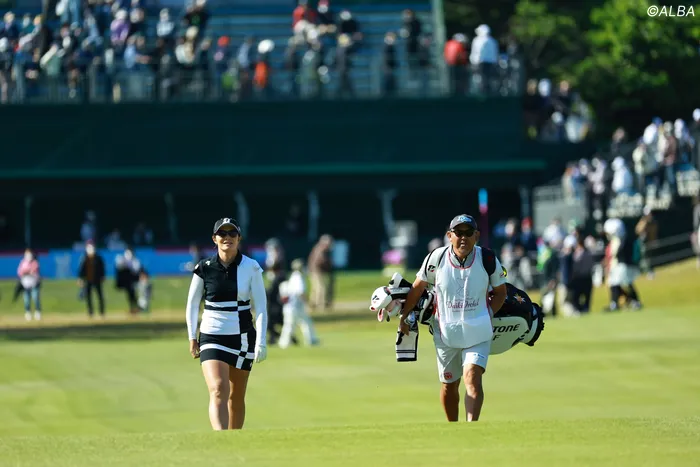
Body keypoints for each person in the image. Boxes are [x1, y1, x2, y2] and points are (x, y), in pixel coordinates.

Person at [399, 214, 508, 422]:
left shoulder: (487, 258)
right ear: (450, 235)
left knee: (472, 377)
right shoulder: (436, 258)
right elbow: (417, 288)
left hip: (478, 332)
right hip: (445, 332)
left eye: (468, 232)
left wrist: (488, 314)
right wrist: (404, 317)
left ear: (476, 236)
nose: (463, 237)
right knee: (449, 385)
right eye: (458, 232)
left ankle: (471, 427)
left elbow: (500, 292)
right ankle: (454, 428)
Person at [185, 217, 268, 431]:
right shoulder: (204, 267)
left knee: (236, 395)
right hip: (212, 335)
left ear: (239, 238)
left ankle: (234, 440)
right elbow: (192, 305)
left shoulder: (251, 267)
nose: (227, 237)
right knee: (218, 389)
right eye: (222, 233)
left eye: (232, 233)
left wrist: (261, 342)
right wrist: (192, 337)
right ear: (214, 239)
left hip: (242, 337)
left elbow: (261, 307)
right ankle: (220, 439)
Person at [278, 259, 319, 349]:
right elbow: (301, 292)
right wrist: (309, 303)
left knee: (295, 324)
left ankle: (284, 343)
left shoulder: (293, 276)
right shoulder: (299, 277)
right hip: (295, 306)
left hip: (291, 306)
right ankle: (310, 340)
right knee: (296, 324)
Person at [77, 242, 106, 318]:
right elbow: (81, 269)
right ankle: (90, 312)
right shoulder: (84, 258)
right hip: (88, 279)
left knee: (100, 296)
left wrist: (103, 276)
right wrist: (80, 279)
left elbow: (102, 268)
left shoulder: (98, 258)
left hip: (97, 279)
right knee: (88, 296)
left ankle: (102, 312)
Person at [17, 248, 42, 321]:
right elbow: (20, 272)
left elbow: (34, 270)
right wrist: (26, 272)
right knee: (26, 300)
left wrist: (26, 271)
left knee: (35, 298)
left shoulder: (35, 262)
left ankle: (38, 312)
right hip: (25, 284)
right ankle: (28, 313)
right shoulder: (23, 262)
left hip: (34, 283)